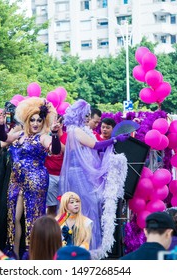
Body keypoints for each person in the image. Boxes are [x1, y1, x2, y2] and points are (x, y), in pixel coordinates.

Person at [59, 99, 128, 257]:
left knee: (86, 206)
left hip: (78, 172)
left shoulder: (75, 130)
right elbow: (95, 145)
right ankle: (86, 247)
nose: (87, 118)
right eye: (86, 115)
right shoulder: (76, 131)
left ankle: (83, 245)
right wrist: (116, 139)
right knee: (86, 206)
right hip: (78, 174)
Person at [0, 97, 61, 258]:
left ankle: (33, 254)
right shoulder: (18, 135)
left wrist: (54, 134)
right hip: (16, 179)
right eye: (32, 120)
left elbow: (55, 150)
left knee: (34, 217)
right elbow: (4, 138)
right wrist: (1, 124)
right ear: (27, 120)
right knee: (14, 217)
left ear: (43, 122)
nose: (35, 123)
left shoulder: (42, 137)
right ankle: (15, 254)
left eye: (39, 120)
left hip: (36, 179)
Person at [45, 115, 67, 216]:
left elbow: (69, 151)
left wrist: (55, 136)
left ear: (62, 124)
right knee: (52, 206)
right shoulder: (45, 137)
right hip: (50, 176)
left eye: (57, 123)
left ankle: (65, 231)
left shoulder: (68, 137)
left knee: (66, 206)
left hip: (65, 176)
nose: (53, 125)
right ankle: (51, 230)